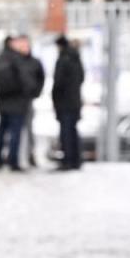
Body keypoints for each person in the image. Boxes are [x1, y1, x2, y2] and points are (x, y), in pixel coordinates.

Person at [0, 35, 36, 171]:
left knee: (1, 132)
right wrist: (30, 91)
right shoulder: (17, 59)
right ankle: (13, 161)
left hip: (2, 102)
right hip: (17, 102)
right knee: (15, 133)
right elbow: (25, 81)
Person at [51, 35, 85, 171]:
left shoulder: (63, 59)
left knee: (65, 133)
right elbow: (82, 78)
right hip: (75, 101)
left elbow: (58, 82)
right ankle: (76, 160)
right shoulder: (77, 59)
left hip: (64, 102)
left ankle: (68, 161)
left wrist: (55, 98)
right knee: (73, 131)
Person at [15, 34, 45, 168]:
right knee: (15, 130)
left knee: (29, 129)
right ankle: (14, 156)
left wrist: (35, 92)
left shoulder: (34, 62)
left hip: (27, 101)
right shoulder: (14, 61)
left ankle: (30, 154)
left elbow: (41, 78)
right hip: (15, 101)